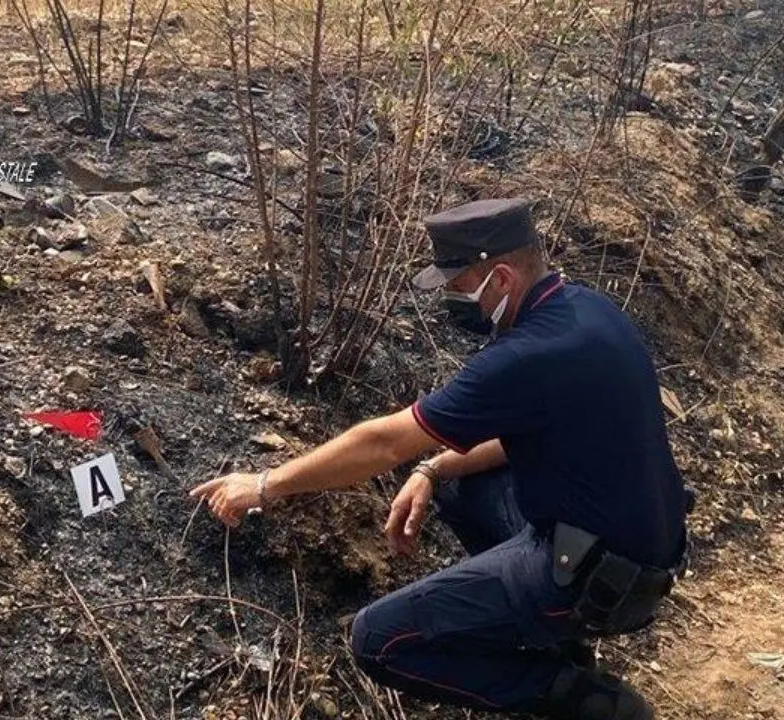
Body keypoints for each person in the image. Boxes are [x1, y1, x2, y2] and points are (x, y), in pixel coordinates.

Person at [190, 197, 691, 719]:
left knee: (379, 639)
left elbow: (384, 444)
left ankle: (585, 700)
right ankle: (554, 640)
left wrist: (267, 483)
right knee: (455, 481)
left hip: (601, 580)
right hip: (644, 552)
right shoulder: (588, 312)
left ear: (499, 277)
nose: (453, 301)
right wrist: (432, 468)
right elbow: (517, 434)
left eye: (457, 287)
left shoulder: (525, 356)